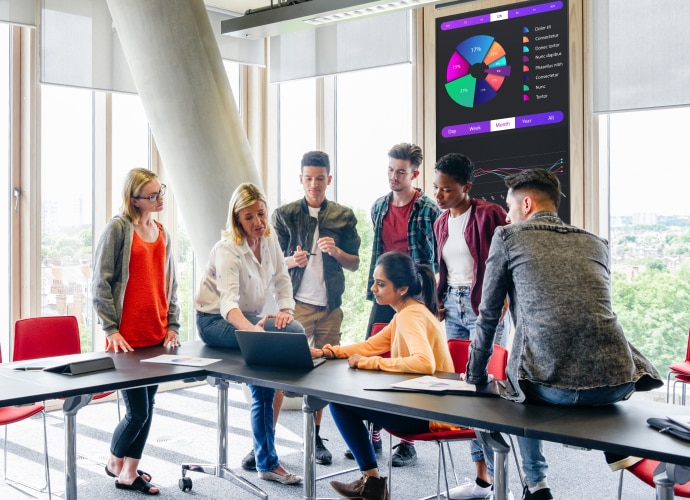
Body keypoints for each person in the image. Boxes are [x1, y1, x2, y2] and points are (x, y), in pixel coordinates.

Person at [466, 169, 663, 500]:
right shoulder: (596, 242)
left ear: (526, 204)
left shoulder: (509, 237)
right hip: (619, 383)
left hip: (551, 389)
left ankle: (536, 483)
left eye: (511, 208)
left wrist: (474, 376)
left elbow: (488, 315)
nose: (508, 215)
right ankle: (612, 440)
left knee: (514, 383)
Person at [313, 251, 455, 500]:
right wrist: (328, 351)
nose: (373, 288)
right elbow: (370, 345)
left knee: (339, 402)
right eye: (374, 282)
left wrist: (371, 363)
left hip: (428, 413)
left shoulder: (411, 316)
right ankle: (371, 483)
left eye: (381, 284)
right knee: (347, 400)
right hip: (424, 404)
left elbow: (424, 363)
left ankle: (372, 483)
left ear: (401, 289)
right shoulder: (408, 312)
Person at [195, 182, 305, 486]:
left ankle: (262, 450)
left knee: (292, 330)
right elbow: (228, 304)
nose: (258, 223)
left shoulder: (268, 239)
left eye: (261, 214)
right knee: (265, 373)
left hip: (249, 317)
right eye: (249, 217)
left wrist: (286, 311)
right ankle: (267, 460)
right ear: (236, 220)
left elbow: (283, 281)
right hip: (215, 319)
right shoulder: (227, 249)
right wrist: (255, 333)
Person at [270, 150, 361, 467]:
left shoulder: (343, 216)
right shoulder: (284, 215)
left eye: (320, 179)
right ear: (300, 179)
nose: (314, 184)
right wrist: (290, 261)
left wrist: (336, 252)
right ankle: (266, 440)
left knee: (323, 374)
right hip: (296, 307)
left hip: (330, 307)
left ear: (329, 179)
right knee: (280, 371)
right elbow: (270, 263)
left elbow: (355, 263)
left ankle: (316, 435)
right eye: (308, 178)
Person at [92, 168, 180, 496]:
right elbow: (100, 283)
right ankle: (115, 461)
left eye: (161, 192)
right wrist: (110, 328)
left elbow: (170, 283)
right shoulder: (118, 229)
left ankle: (129, 471)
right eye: (153, 195)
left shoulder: (162, 232)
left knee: (149, 406)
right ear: (134, 199)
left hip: (157, 334)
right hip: (127, 339)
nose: (160, 199)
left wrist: (173, 324)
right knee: (138, 411)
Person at [432, 154, 510, 500]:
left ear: (467, 187)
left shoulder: (490, 214)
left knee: (488, 392)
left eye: (447, 190)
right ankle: (481, 478)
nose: (439, 196)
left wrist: (505, 295)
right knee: (464, 392)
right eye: (436, 189)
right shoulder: (441, 222)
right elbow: (444, 268)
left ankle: (500, 478)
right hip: (454, 304)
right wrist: (438, 299)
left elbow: (506, 260)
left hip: (484, 308)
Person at [363, 142, 441, 466]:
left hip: (415, 295)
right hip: (384, 291)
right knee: (373, 350)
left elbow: (439, 257)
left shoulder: (429, 210)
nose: (394, 177)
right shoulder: (379, 207)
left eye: (401, 172)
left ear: (415, 174)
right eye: (391, 170)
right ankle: (375, 429)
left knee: (411, 366)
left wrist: (438, 298)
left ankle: (408, 441)